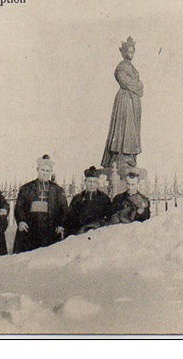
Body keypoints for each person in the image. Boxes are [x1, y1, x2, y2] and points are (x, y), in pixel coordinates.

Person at [101, 36, 144, 170]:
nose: (130, 54)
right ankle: (121, 156)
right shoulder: (121, 67)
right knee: (124, 128)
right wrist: (137, 85)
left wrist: (138, 86)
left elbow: (141, 87)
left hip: (133, 102)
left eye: (132, 52)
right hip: (125, 101)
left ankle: (129, 157)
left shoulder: (133, 68)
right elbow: (128, 83)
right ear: (123, 52)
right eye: (128, 52)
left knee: (132, 130)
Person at [13, 155, 68, 253]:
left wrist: (61, 224)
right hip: (30, 229)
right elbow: (19, 207)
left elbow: (64, 209)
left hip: (51, 230)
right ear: (38, 170)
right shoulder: (26, 188)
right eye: (43, 170)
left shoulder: (58, 190)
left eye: (47, 171)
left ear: (51, 172)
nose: (45, 173)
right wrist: (21, 221)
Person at [66, 166, 112, 235]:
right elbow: (70, 218)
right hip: (80, 234)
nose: (92, 184)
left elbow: (109, 218)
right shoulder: (78, 198)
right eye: (89, 181)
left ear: (97, 183)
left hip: (98, 233)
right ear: (85, 182)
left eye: (94, 182)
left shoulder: (104, 198)